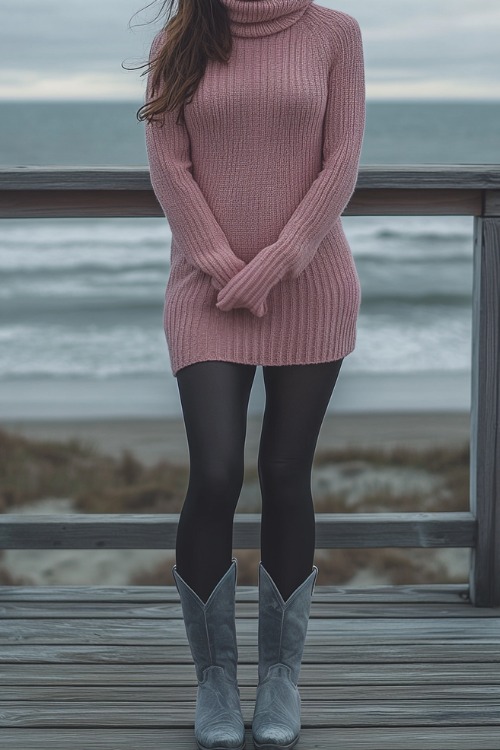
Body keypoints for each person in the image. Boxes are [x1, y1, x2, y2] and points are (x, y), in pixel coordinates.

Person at [139, 1, 365, 748]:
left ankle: (279, 679)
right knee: (212, 474)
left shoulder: (336, 34)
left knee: (285, 470)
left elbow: (342, 161)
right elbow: (168, 164)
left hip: (309, 280)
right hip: (206, 289)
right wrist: (218, 262)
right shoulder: (183, 34)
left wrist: (277, 261)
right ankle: (214, 681)